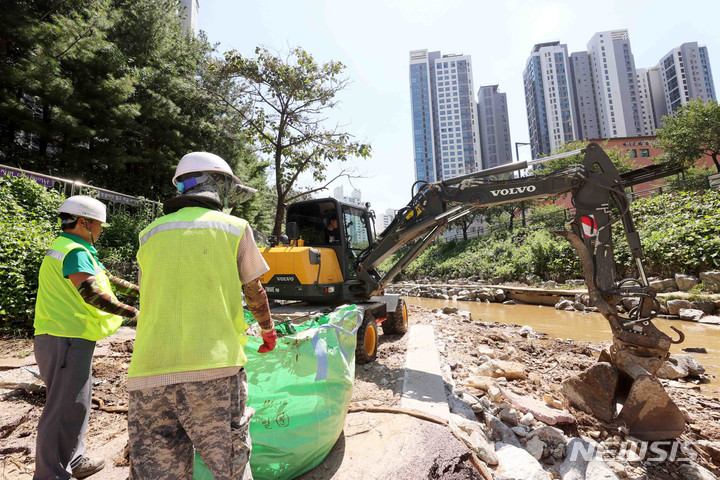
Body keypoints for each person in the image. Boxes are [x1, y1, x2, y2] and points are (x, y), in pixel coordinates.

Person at [127, 152, 276, 479]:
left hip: (148, 374)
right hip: (213, 373)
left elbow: (147, 296)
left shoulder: (149, 234)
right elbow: (254, 292)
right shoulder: (234, 228)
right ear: (218, 184)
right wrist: (267, 329)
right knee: (230, 471)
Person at [33, 195, 139, 479]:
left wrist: (143, 291)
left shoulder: (76, 248)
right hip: (64, 339)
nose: (101, 230)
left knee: (76, 404)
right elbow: (91, 292)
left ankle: (74, 460)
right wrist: (136, 313)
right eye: (99, 225)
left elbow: (108, 279)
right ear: (83, 222)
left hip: (69, 338)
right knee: (61, 409)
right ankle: (50, 474)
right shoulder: (74, 251)